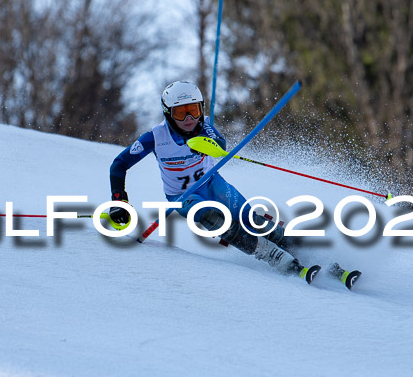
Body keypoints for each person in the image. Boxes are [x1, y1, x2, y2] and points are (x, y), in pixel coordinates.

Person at [107, 81, 317, 282]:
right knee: (211, 217)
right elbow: (119, 165)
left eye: (194, 110)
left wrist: (206, 144)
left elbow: (219, 142)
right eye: (181, 112)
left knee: (247, 218)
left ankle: (298, 246)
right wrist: (119, 200)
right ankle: (272, 256)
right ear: (168, 114)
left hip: (211, 184)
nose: (189, 118)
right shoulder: (155, 137)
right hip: (182, 197)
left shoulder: (204, 126)